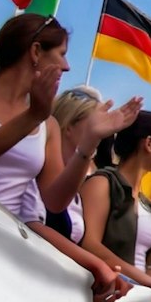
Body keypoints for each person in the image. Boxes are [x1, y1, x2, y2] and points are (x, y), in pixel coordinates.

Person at [0, 13, 141, 302]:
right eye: (62, 54)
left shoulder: (48, 124)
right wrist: (31, 117)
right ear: (35, 51)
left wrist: (89, 142)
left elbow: (54, 201)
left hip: (1, 254)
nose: (67, 66)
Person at [78, 108, 151, 302]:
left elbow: (145, 266)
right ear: (149, 143)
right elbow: (89, 244)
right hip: (101, 299)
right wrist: (145, 280)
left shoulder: (149, 205)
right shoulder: (102, 183)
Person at [48, 87, 101, 242]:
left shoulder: (78, 182)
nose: (100, 131)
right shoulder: (39, 171)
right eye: (93, 124)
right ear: (70, 126)